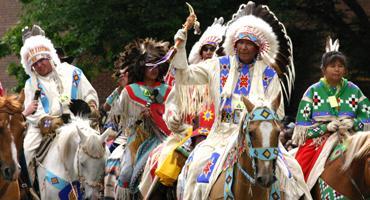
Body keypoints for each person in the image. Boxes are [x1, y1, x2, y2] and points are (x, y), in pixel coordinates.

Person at [169, 2, 311, 199]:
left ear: (257, 47)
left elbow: (276, 115)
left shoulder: (269, 75)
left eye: (249, 43)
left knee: (293, 172)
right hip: (221, 137)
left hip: (260, 139)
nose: (244, 47)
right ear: (234, 44)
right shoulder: (217, 66)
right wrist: (182, 47)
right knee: (197, 168)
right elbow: (185, 76)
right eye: (241, 42)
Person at [138, 17, 226, 196]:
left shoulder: (226, 79)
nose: (209, 52)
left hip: (221, 134)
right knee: (168, 158)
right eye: (206, 48)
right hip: (187, 135)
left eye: (214, 49)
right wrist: (176, 120)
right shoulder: (188, 77)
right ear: (199, 51)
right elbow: (173, 106)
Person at [20, 27, 99, 185]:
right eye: (35, 64)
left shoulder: (73, 72)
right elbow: (35, 115)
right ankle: (31, 186)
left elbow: (90, 94)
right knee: (27, 149)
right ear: (31, 67)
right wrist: (49, 121)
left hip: (78, 120)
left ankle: (103, 182)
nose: (40, 65)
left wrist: (89, 107)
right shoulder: (30, 84)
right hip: (47, 126)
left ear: (50, 57)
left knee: (99, 145)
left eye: (42, 60)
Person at [292, 37, 370, 190]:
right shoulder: (313, 91)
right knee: (300, 165)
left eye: (341, 66)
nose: (337, 69)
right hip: (320, 140)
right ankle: (299, 191)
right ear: (323, 69)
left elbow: (367, 115)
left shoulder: (354, 90)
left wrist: (354, 123)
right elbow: (301, 128)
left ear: (345, 70)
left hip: (351, 136)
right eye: (332, 66)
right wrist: (324, 128)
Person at [104, 38, 172, 199]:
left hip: (165, 138)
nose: (153, 68)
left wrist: (157, 114)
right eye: (149, 64)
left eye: (157, 64)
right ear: (141, 66)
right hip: (136, 140)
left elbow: (175, 115)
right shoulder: (130, 91)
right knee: (126, 174)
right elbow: (118, 116)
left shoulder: (169, 90)